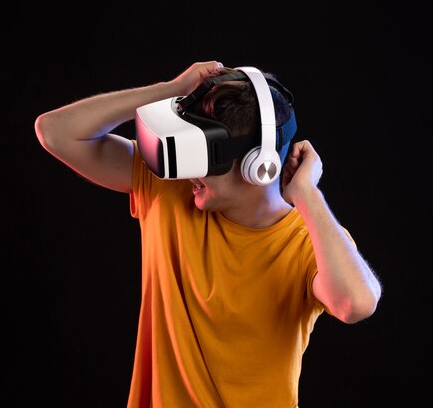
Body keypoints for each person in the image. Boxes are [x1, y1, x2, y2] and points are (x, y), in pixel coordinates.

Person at [34, 60, 382, 408]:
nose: (189, 172)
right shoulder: (167, 189)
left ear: (257, 166)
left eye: (205, 158)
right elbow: (55, 132)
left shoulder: (307, 243)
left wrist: (307, 193)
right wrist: (171, 89)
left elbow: (355, 303)